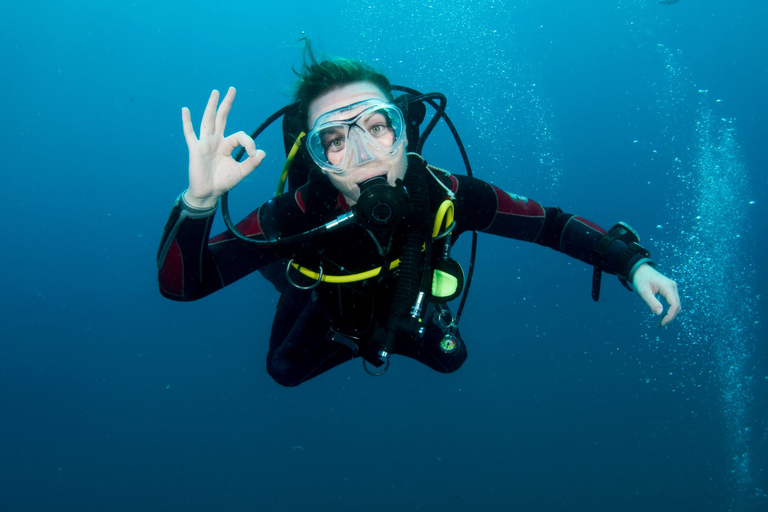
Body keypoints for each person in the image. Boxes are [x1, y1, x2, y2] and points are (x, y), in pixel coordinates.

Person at [157, 50, 681, 387]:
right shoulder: (298, 212)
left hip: (410, 301)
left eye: (376, 127)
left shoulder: (444, 193)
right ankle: (287, 274)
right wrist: (198, 201)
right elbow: (183, 286)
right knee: (283, 370)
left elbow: (547, 222)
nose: (362, 154)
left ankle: (396, 328)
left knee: (453, 361)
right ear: (314, 158)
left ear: (404, 129)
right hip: (327, 300)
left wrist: (630, 263)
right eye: (334, 142)